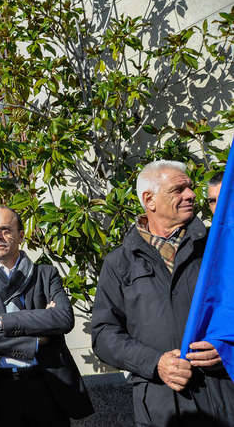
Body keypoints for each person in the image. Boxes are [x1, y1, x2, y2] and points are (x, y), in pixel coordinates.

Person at [92, 160, 234, 426]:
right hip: (159, 407)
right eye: (178, 190)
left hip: (222, 398)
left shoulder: (218, 250)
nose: (191, 195)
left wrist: (227, 347)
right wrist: (155, 363)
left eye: (190, 187)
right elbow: (103, 334)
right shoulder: (119, 263)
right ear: (150, 200)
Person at [0, 206, 93, 425]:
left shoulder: (45, 273)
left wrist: (2, 322)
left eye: (5, 230)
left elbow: (63, 319)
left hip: (46, 385)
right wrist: (35, 342)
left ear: (21, 234)